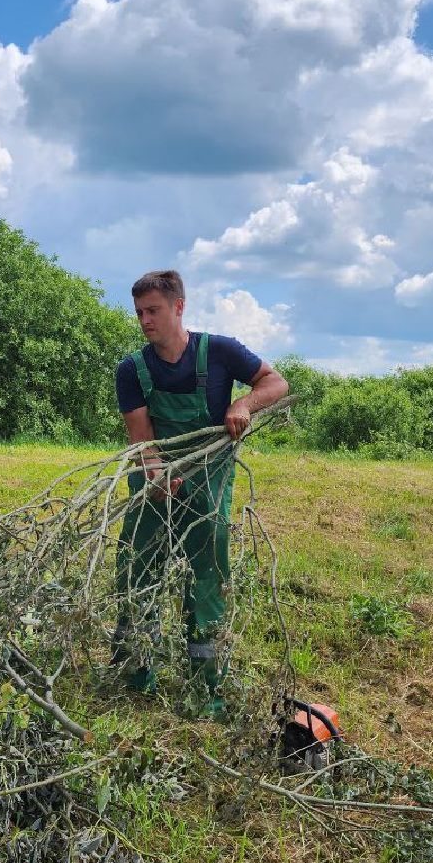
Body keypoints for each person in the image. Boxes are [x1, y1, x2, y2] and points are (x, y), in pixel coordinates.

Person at [112, 270, 289, 714]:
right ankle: (136, 674)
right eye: (139, 313)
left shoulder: (222, 352)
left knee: (206, 579)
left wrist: (243, 403)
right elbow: (141, 439)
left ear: (179, 306)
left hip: (209, 479)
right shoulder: (132, 369)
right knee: (138, 570)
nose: (145, 321)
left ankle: (204, 687)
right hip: (154, 479)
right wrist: (155, 473)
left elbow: (276, 382)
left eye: (153, 311)